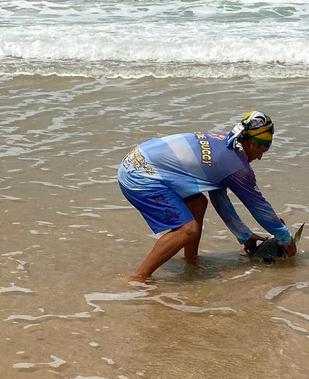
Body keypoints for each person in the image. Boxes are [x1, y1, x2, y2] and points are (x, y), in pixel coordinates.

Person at [118, 111, 296, 282]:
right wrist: (286, 239)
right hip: (139, 177)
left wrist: (244, 236)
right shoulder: (238, 168)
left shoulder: (223, 142)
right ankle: (138, 277)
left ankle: (191, 259)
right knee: (188, 230)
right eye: (263, 151)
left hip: (134, 161)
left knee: (198, 203)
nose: (260, 158)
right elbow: (260, 209)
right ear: (254, 144)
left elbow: (219, 199)